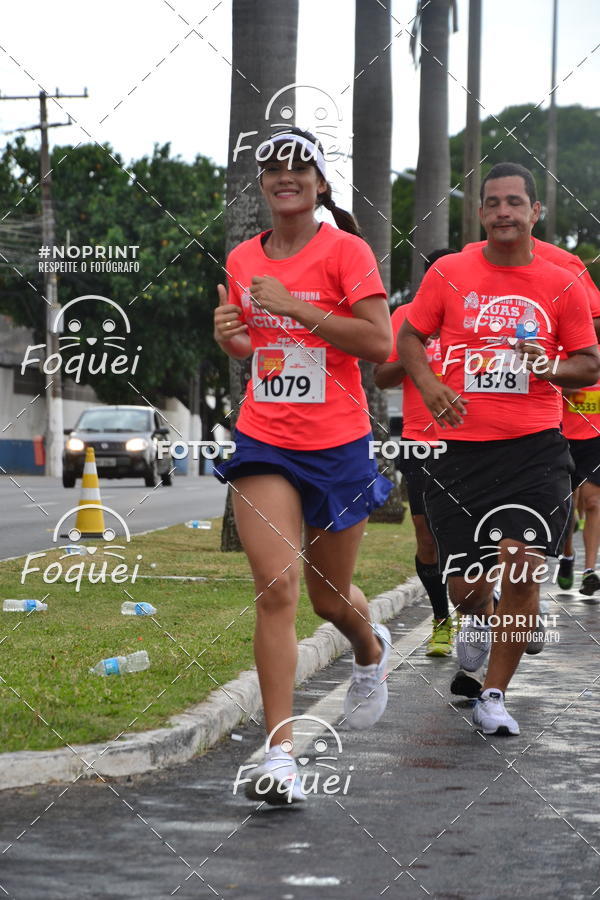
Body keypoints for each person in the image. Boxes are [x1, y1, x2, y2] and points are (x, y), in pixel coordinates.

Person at [213, 127, 394, 803]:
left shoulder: (346, 251)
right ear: (263, 184)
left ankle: (368, 647)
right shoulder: (241, 257)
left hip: (338, 444)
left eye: (299, 166)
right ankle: (280, 755)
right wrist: (231, 337)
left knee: (326, 596)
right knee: (277, 589)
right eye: (272, 167)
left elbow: (379, 343)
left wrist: (297, 307)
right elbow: (250, 348)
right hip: (265, 439)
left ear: (319, 183)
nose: (284, 175)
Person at [397, 162, 599, 736]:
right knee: (464, 581)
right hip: (457, 454)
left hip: (532, 450)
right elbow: (411, 336)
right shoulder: (451, 272)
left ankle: (494, 695)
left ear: (536, 212)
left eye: (515, 202)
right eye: (493, 203)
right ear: (481, 213)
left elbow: (589, 361)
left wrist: (551, 367)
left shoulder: (562, 280)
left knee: (520, 570)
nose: (504, 211)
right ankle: (477, 618)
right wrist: (432, 386)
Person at [375, 249, 458, 657]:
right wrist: (414, 355)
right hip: (420, 442)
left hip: (471, 443)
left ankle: (488, 608)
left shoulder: (476, 317)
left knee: (475, 537)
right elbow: (382, 376)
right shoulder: (406, 315)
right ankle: (442, 620)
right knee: (428, 538)